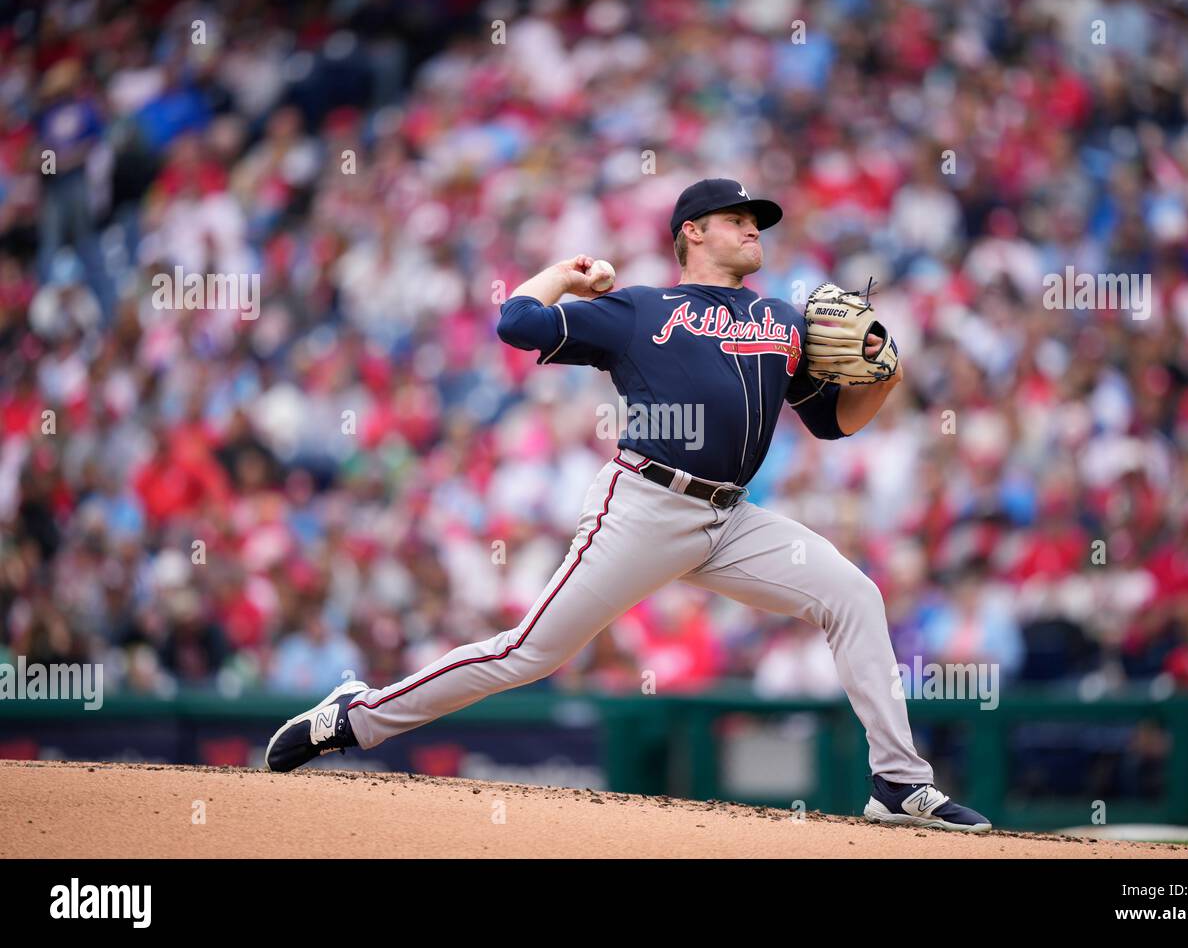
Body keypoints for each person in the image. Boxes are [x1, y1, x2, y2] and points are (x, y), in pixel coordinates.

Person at [264, 178, 992, 832]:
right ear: (692, 234)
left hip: (732, 519)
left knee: (853, 595)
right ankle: (354, 718)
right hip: (645, 504)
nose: (752, 229)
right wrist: (568, 276)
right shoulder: (641, 308)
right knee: (527, 652)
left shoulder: (781, 320)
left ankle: (899, 782)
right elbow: (517, 323)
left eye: (757, 221)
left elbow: (832, 422)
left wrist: (882, 377)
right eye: (736, 218)